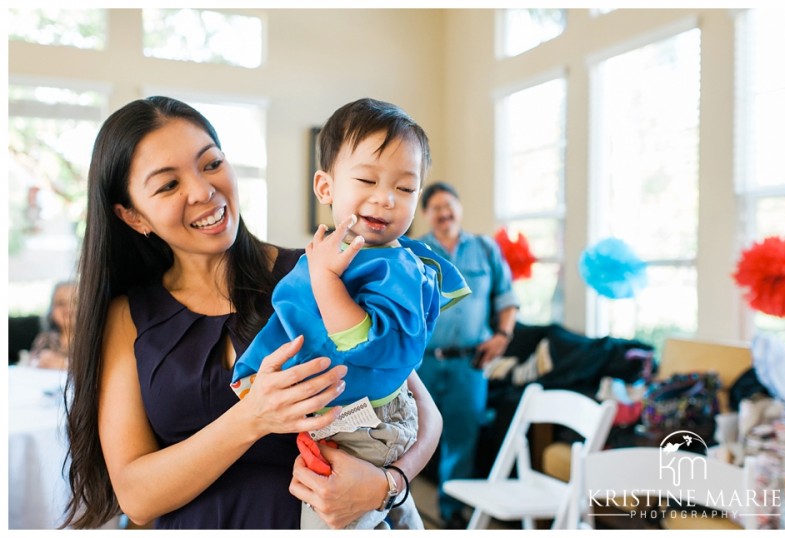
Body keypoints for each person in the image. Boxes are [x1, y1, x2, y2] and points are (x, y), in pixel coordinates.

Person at [63, 96, 443, 530]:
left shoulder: (318, 274)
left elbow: (421, 411)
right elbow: (136, 496)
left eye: (210, 164)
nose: (204, 191)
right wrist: (253, 417)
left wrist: (385, 485)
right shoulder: (128, 317)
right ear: (132, 216)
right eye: (169, 185)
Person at [231, 98, 470, 530]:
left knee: (333, 521)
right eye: (367, 179)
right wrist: (251, 376)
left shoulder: (399, 267)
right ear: (325, 187)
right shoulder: (331, 253)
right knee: (391, 518)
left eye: (405, 188)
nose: (385, 199)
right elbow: (291, 318)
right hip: (342, 420)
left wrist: (325, 281)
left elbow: (369, 343)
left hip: (367, 424)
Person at [417, 181, 519, 529]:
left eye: (449, 205)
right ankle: (399, 506)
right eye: (436, 208)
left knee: (463, 438)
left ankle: (451, 510)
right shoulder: (415, 251)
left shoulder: (485, 249)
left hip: (469, 365)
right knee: (410, 435)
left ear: (459, 208)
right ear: (427, 215)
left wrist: (502, 337)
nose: (444, 213)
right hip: (422, 364)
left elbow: (507, 300)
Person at [28, 280, 77, 370]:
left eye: (75, 302)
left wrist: (65, 364)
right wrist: (39, 362)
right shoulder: (45, 339)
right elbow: (31, 363)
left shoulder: (88, 341)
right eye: (61, 303)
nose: (68, 308)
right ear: (51, 311)